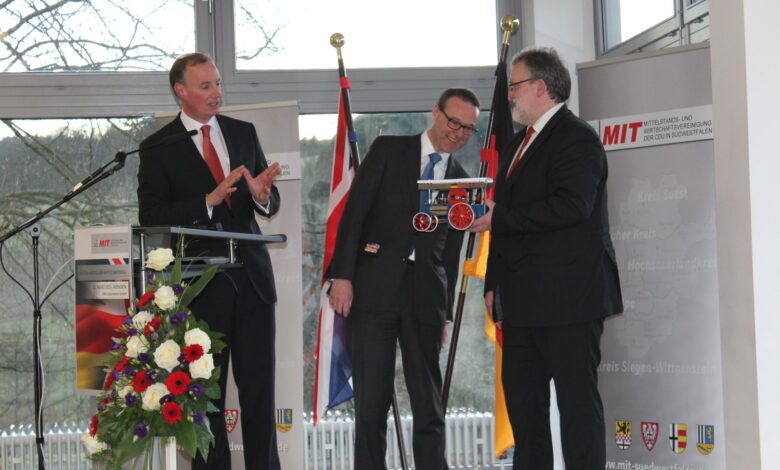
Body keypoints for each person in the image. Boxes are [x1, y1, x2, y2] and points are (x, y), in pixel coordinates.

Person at [469, 47, 623, 470]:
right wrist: (493, 284)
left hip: (570, 300)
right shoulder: (519, 143)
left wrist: (502, 216)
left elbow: (572, 207)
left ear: (541, 86)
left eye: (515, 86)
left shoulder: (577, 139)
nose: (510, 96)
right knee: (525, 412)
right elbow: (503, 219)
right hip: (520, 304)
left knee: (576, 410)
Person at [137, 52, 282, 470]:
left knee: (259, 393)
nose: (216, 93)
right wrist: (208, 201)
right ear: (180, 91)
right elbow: (151, 217)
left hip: (253, 279)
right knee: (205, 397)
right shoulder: (158, 147)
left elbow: (268, 199)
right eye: (205, 86)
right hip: (201, 289)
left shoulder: (242, 132)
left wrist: (261, 195)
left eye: (218, 83)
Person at [328, 88, 480, 469]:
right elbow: (354, 215)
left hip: (425, 301)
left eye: (467, 129)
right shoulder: (389, 149)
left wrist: (443, 312)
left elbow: (450, 253)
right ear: (435, 113)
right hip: (373, 293)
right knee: (371, 405)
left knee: (429, 406)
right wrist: (342, 276)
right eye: (453, 121)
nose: (458, 132)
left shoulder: (462, 183)